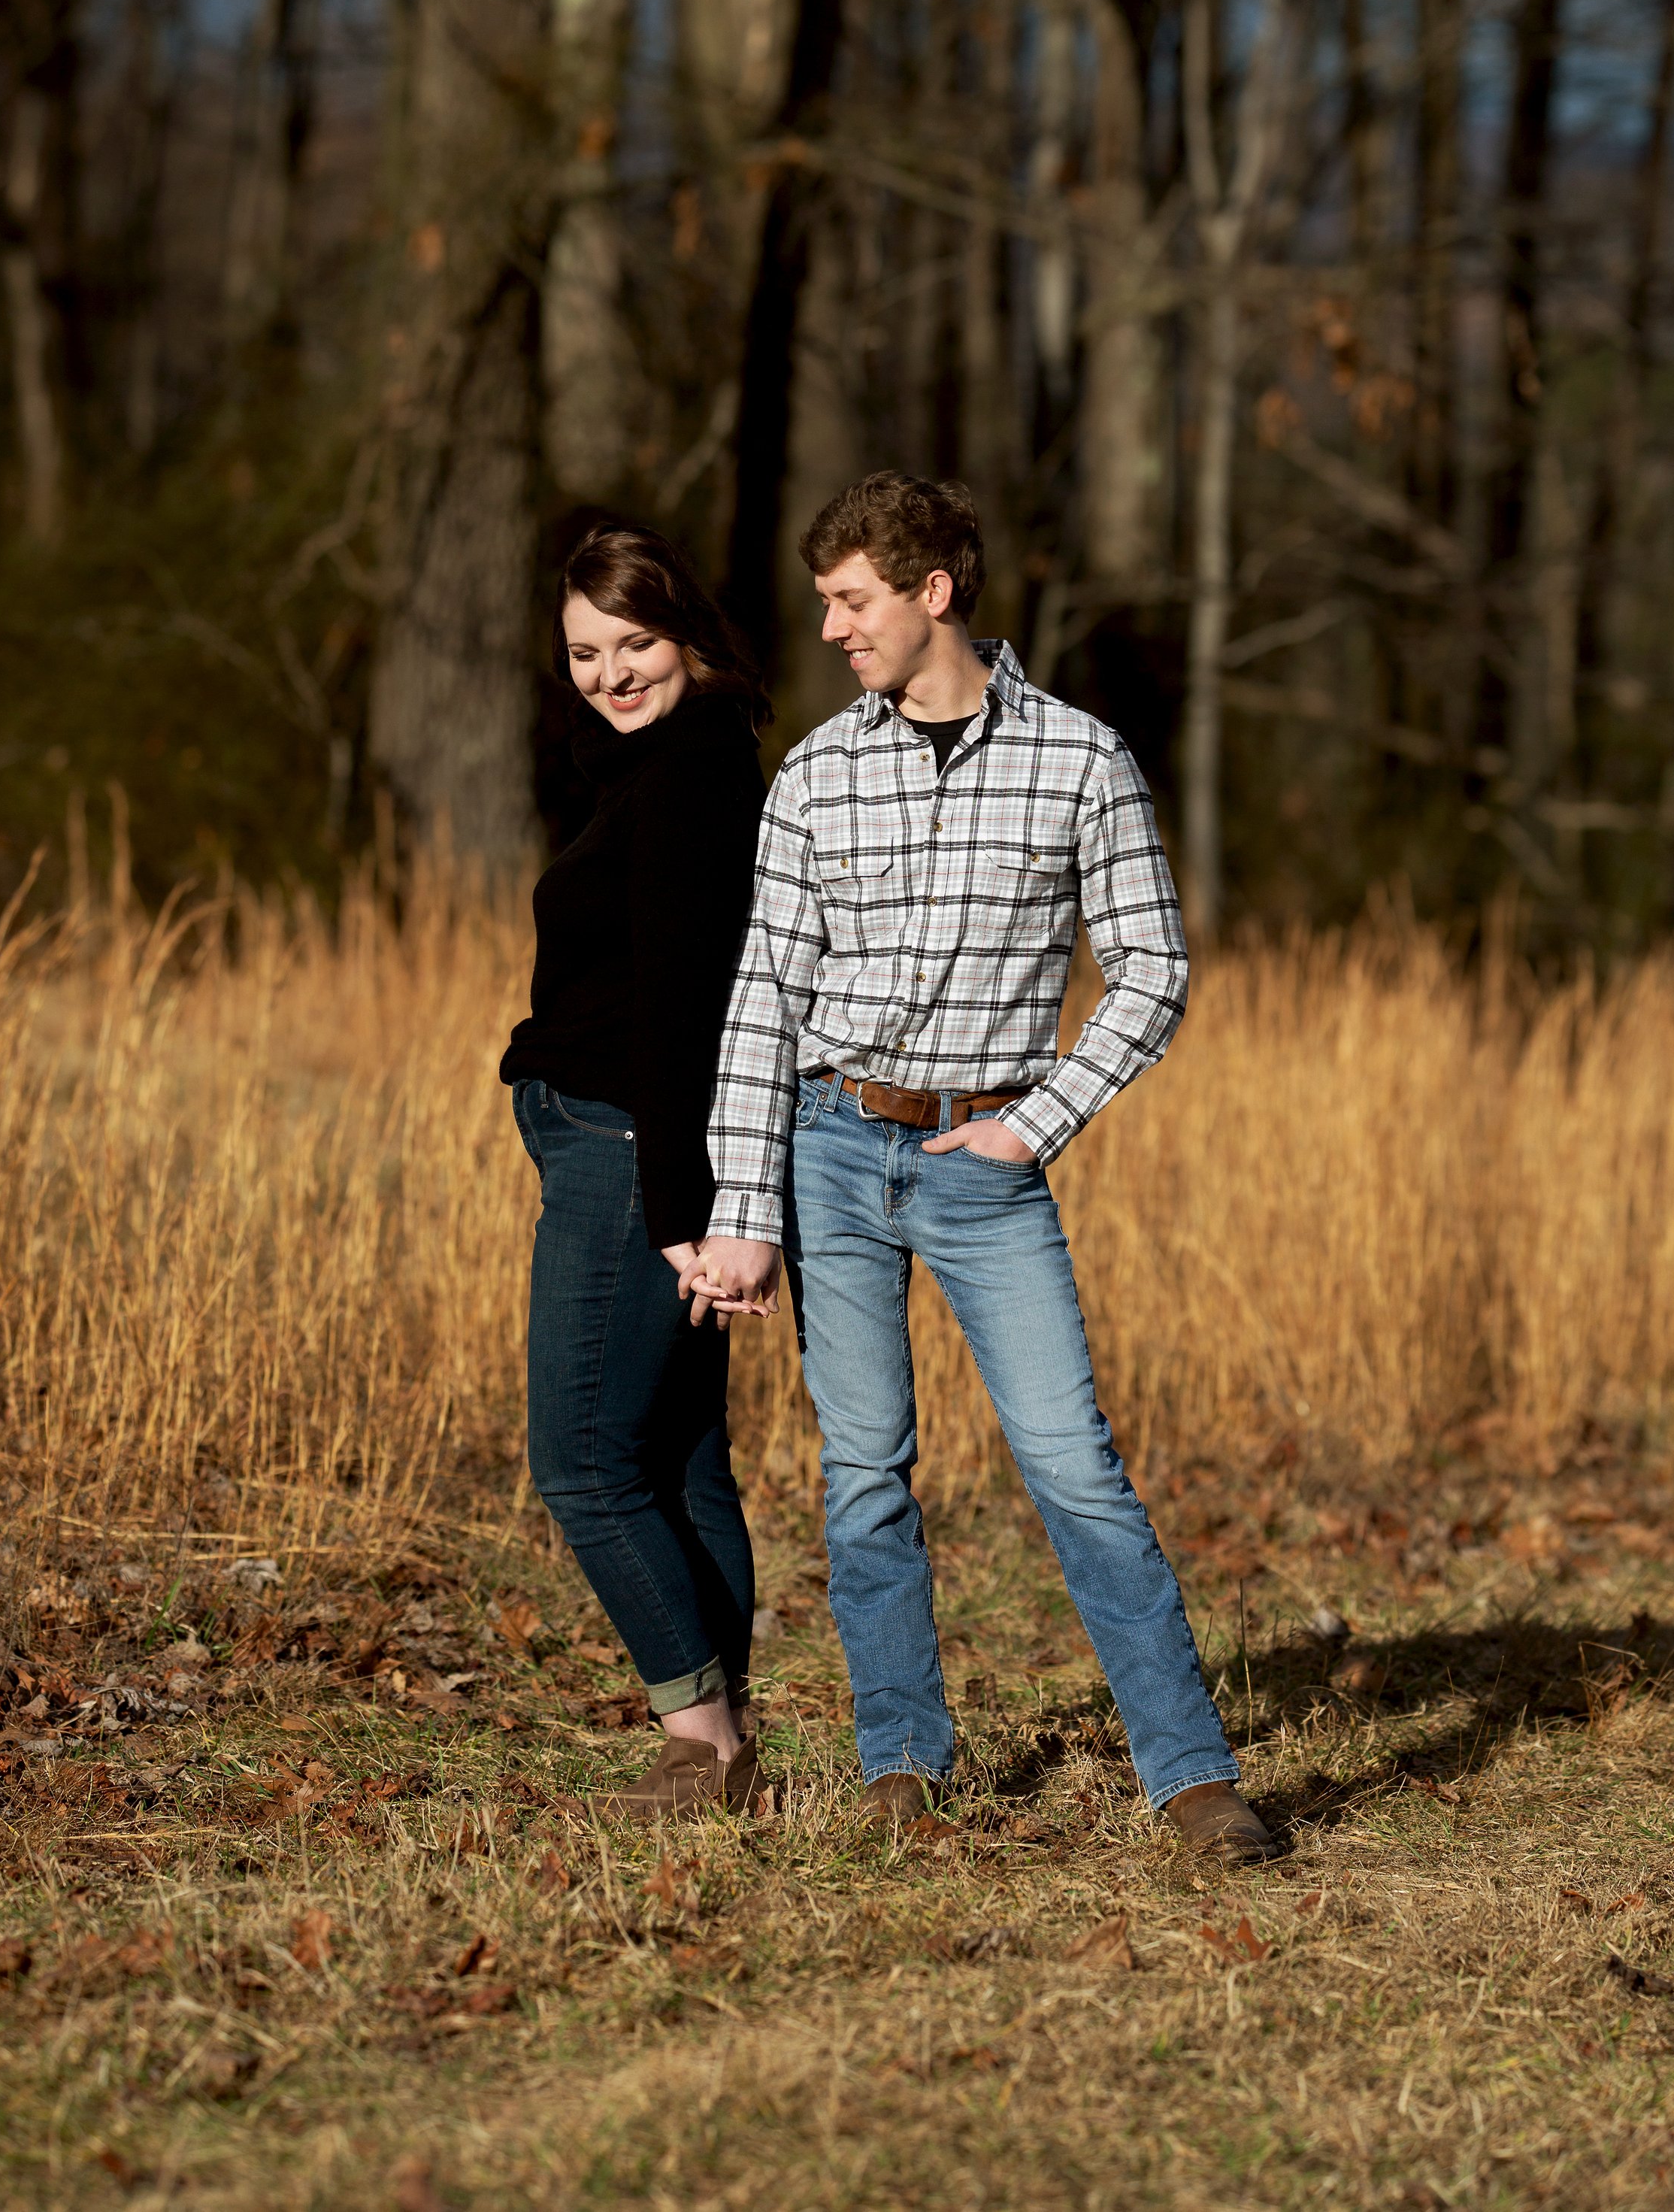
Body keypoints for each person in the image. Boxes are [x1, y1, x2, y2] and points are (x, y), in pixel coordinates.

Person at [684, 472, 1275, 1866]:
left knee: (1077, 1472)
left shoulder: (1082, 760)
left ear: (931, 590)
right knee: (866, 1473)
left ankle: (1192, 1777)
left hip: (985, 1158)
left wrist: (1038, 1118)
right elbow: (763, 999)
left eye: (852, 599)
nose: (831, 628)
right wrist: (745, 1209)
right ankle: (903, 1763)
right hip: (829, 1144)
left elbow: (1153, 971)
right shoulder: (819, 773)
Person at [501, 523, 770, 1819]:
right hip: (620, 1138)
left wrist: (679, 1214)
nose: (610, 672)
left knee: (584, 1459)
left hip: (628, 1149)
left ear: (690, 635)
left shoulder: (687, 783)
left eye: (636, 642)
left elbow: (682, 1013)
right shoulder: (667, 763)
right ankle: (728, 1743)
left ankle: (698, 1737)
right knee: (677, 1455)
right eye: (587, 651)